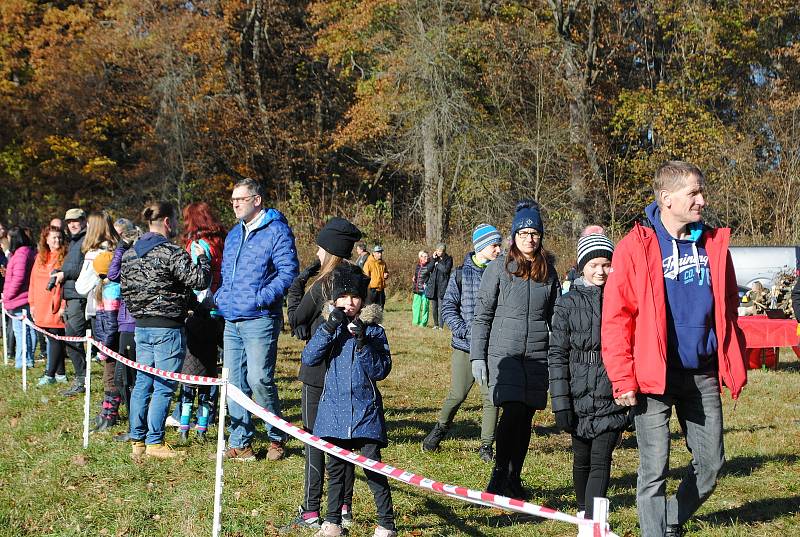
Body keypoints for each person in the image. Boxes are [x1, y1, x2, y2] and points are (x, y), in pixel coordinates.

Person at [601, 161, 747, 537]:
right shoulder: (636, 245)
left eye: (701, 191)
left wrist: (730, 357)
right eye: (693, 192)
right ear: (667, 198)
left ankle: (670, 520)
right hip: (653, 375)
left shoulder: (715, 244)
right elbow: (617, 318)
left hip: (702, 372)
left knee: (711, 464)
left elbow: (728, 305)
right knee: (654, 471)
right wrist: (623, 377)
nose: (702, 199)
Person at [470, 200, 560, 498]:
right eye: (524, 234)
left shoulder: (549, 272)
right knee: (511, 414)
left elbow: (556, 316)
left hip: (536, 356)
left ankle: (514, 478)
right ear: (514, 236)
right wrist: (477, 356)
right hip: (504, 355)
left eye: (534, 233)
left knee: (525, 419)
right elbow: (482, 315)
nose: (530, 239)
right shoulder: (498, 268)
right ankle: (498, 476)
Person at [301, 263, 396, 537]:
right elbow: (309, 358)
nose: (349, 302)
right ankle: (332, 522)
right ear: (334, 300)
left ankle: (386, 523)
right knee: (336, 470)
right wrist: (329, 328)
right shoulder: (329, 329)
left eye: (354, 297)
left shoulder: (374, 331)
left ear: (363, 300)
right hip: (333, 412)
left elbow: (381, 370)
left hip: (365, 412)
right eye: (343, 297)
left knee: (373, 468)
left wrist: (363, 341)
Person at [548, 230, 631, 532]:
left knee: (601, 460)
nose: (600, 271)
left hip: (612, 393)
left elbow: (633, 347)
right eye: (594, 264)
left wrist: (633, 395)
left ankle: (593, 525)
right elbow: (556, 355)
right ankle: (584, 513)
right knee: (581, 458)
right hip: (578, 394)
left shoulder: (623, 299)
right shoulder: (566, 304)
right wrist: (560, 403)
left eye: (606, 264)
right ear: (582, 265)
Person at [284, 217, 362, 531]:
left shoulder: (322, 285)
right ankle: (343, 506)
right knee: (343, 441)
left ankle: (311, 510)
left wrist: (301, 277)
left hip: (318, 374)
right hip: (347, 373)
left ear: (326, 248)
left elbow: (295, 317)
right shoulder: (356, 279)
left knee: (314, 442)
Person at [214, 178, 299, 461]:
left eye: (241, 198)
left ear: (257, 200)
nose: (235, 204)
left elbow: (288, 273)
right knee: (235, 383)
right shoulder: (233, 234)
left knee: (259, 379)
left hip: (260, 318)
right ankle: (241, 443)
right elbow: (226, 274)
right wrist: (223, 298)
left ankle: (277, 437)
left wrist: (261, 298)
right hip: (232, 318)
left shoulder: (277, 231)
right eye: (233, 200)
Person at [121, 201, 211, 459]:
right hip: (167, 328)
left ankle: (137, 441)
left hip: (141, 327)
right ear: (168, 222)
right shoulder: (171, 252)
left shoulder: (129, 254)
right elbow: (200, 280)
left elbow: (124, 288)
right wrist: (202, 257)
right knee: (163, 386)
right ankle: (155, 442)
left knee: (142, 384)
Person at [422, 224, 502, 462]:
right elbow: (448, 307)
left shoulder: (504, 273)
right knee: (457, 394)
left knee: (491, 398)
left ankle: (486, 446)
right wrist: (465, 331)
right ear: (480, 247)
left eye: (499, 245)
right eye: (494, 245)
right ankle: (439, 430)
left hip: (492, 348)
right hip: (464, 346)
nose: (499, 249)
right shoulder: (460, 274)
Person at [176, 202, 226, 443]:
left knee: (191, 369)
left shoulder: (197, 245)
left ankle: (185, 421)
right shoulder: (221, 243)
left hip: (199, 309)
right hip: (220, 307)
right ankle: (206, 421)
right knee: (211, 368)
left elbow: (195, 279)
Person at [108, 218, 141, 442]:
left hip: (131, 324)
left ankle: (135, 424)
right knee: (127, 378)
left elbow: (112, 273)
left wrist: (121, 248)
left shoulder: (132, 261)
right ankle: (136, 423)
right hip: (130, 323)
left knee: (130, 378)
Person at [87, 251, 123, 431]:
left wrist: (104, 349)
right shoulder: (105, 288)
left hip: (112, 346)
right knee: (107, 379)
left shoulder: (112, 291)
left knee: (111, 380)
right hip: (106, 344)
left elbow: (111, 326)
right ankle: (105, 410)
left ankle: (111, 414)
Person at [55, 208, 89, 396]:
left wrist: (64, 273)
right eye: (69, 222)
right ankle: (81, 378)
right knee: (71, 339)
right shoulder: (74, 242)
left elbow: (85, 269)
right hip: (71, 296)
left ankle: (82, 380)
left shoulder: (85, 241)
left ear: (84, 221)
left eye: (76, 220)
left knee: (73, 339)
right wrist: (59, 271)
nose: (72, 224)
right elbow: (72, 266)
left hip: (79, 297)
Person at [30, 225, 68, 385]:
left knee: (55, 338)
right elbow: (32, 282)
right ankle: (61, 373)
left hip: (56, 305)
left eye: (59, 237)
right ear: (46, 239)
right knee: (52, 338)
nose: (57, 240)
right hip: (40, 305)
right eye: (53, 237)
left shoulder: (65, 257)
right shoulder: (40, 257)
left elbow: (67, 285)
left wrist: (63, 307)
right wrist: (31, 304)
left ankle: (49, 374)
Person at [2, 226, 37, 369]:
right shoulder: (25, 253)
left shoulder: (21, 255)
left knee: (21, 332)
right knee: (27, 331)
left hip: (19, 299)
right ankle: (25, 360)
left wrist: (8, 295)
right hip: (23, 297)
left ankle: (24, 361)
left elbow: (18, 278)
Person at [424, 242, 453, 330]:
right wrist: (433, 259)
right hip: (433, 287)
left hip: (443, 286)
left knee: (441, 307)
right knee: (434, 307)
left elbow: (446, 270)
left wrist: (438, 264)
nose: (439, 252)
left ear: (444, 251)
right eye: (438, 250)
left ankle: (441, 326)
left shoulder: (448, 259)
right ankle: (435, 324)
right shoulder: (434, 259)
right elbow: (428, 269)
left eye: (441, 251)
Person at [411, 250, 430, 326]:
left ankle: (423, 323)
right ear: (420, 258)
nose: (426, 258)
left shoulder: (429, 266)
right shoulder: (418, 266)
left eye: (426, 256)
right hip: (417, 289)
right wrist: (414, 278)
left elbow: (431, 277)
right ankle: (416, 322)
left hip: (425, 289)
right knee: (416, 306)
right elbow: (416, 275)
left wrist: (427, 283)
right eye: (424, 256)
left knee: (425, 306)